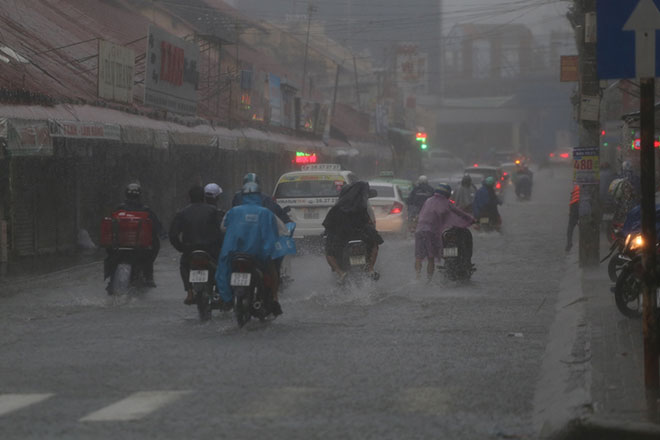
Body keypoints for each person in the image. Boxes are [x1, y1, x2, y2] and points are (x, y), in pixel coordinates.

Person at [216, 182, 284, 316]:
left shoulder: (233, 211)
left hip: (235, 254)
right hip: (258, 256)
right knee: (273, 270)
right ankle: (275, 298)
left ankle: (226, 298)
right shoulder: (266, 212)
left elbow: (223, 228)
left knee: (223, 269)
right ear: (259, 196)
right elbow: (278, 231)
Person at [169, 185, 224, 305]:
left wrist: (182, 248)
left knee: (184, 265)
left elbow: (173, 235)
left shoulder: (182, 213)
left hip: (190, 250)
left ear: (189, 198)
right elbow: (221, 231)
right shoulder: (213, 211)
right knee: (222, 266)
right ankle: (221, 292)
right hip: (210, 250)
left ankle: (189, 292)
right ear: (203, 197)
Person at [322, 181, 383, 282]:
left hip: (342, 239)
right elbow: (368, 223)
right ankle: (371, 269)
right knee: (374, 244)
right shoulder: (361, 207)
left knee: (329, 252)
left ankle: (340, 273)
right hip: (358, 237)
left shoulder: (336, 209)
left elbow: (328, 225)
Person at [415, 183, 475, 281]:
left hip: (419, 230)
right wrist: (471, 220)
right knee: (431, 258)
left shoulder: (428, 201)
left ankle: (417, 278)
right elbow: (458, 213)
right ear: (446, 194)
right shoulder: (445, 203)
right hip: (431, 232)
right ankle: (429, 280)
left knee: (418, 257)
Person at [108, 182, 162, 287]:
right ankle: (148, 276)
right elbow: (156, 225)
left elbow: (111, 224)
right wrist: (162, 233)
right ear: (139, 195)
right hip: (140, 246)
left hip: (121, 244)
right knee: (154, 246)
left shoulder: (119, 209)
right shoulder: (146, 210)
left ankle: (111, 278)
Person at [565, 184, 580, 252]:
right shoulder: (592, 182)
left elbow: (572, 197)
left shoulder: (576, 185)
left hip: (574, 204)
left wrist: (570, 212)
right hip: (584, 204)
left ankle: (569, 243)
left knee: (570, 227)